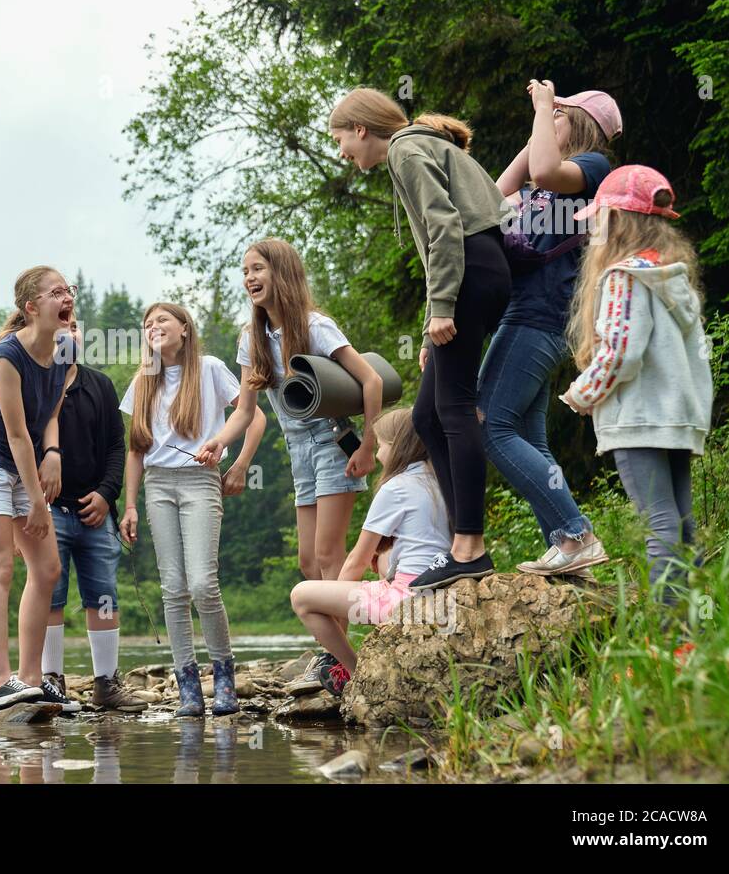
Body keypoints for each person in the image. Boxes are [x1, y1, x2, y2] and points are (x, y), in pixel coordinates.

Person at [330, 87, 512, 591]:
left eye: (341, 139)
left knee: (453, 408)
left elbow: (445, 228)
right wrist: (436, 322)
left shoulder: (406, 149)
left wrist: (442, 308)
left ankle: (469, 546)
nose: (343, 152)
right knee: (427, 415)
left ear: (362, 129)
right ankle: (462, 540)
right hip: (482, 272)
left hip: (471, 271)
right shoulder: (427, 145)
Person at [215, 237, 381, 690]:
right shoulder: (251, 340)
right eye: (245, 271)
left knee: (330, 555)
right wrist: (219, 445)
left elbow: (369, 380)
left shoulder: (314, 326)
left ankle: (343, 662)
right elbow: (246, 413)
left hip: (332, 443)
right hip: (297, 454)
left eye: (257, 269)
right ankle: (345, 655)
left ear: (281, 273)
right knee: (309, 560)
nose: (249, 278)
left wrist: (367, 445)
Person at [560, 166, 713, 606]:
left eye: (599, 220)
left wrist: (582, 394)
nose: (594, 232)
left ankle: (670, 639)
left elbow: (622, 351)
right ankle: (694, 626)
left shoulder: (623, 277)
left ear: (616, 221)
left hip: (639, 419)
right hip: (676, 418)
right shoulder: (673, 278)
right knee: (682, 525)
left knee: (659, 525)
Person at [483, 82, 618, 576]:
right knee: (527, 435)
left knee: (489, 425)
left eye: (558, 119)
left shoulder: (592, 168)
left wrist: (548, 105)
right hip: (528, 313)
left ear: (579, 125)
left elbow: (543, 167)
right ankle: (564, 546)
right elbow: (492, 197)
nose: (545, 124)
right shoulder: (546, 186)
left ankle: (577, 533)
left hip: (539, 316)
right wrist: (545, 117)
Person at [119, 302, 266, 717]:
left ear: (184, 328)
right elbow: (136, 449)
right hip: (157, 484)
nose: (153, 327)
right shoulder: (143, 382)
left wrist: (239, 466)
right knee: (173, 588)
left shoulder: (212, 368)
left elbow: (253, 418)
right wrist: (129, 504)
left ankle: (223, 678)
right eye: (147, 323)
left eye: (162, 320)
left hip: (200, 480)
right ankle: (187, 686)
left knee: (202, 583)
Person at [0, 266, 76, 713]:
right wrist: (39, 506)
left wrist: (55, 453)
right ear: (31, 308)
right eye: (56, 292)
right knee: (1, 568)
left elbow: (49, 412)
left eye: (69, 290)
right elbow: (14, 435)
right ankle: (0, 682)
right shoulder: (6, 357)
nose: (67, 298)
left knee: (47, 570)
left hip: (28, 460)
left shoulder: (67, 348)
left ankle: (31, 678)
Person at [21, 316, 151, 712]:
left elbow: (117, 448)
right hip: (48, 509)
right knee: (50, 593)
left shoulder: (100, 385)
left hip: (97, 512)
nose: (71, 332)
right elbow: (21, 444)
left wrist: (106, 495)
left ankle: (106, 683)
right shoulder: (34, 384)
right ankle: (51, 680)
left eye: (77, 326)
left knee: (104, 595)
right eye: (65, 326)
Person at [286, 408, 450, 696]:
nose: (377, 452)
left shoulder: (396, 487)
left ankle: (353, 669)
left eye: (382, 445)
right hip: (442, 591)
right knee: (382, 559)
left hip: (407, 600)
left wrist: (336, 614)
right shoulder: (442, 481)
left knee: (302, 596)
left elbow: (355, 562)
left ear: (399, 447)